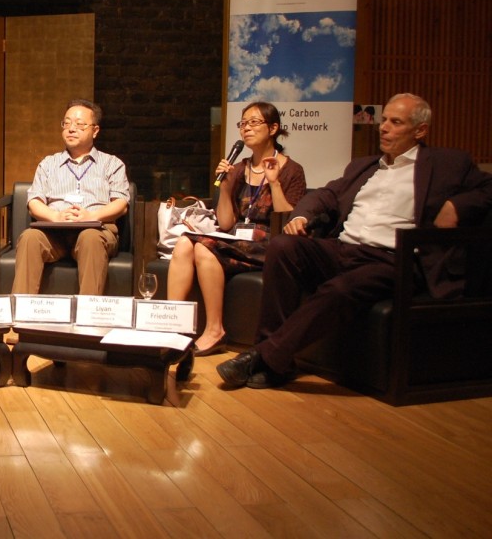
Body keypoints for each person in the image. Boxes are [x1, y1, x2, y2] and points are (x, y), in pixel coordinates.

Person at [217, 93, 492, 390]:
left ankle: (263, 357)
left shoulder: (447, 163)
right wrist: (302, 216)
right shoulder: (364, 166)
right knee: (284, 246)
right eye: (384, 119)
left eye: (395, 122)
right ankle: (275, 360)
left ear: (420, 130)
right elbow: (326, 194)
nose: (383, 127)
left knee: (341, 288)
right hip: (344, 248)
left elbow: (487, 188)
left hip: (392, 258)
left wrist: (457, 207)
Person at [168, 102, 306, 356]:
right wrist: (227, 187)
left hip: (271, 244)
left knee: (203, 249)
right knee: (185, 243)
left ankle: (214, 330)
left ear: (273, 128)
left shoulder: (291, 170)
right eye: (243, 123)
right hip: (236, 238)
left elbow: (289, 220)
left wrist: (274, 184)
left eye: (254, 122)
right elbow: (227, 223)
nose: (247, 129)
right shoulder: (240, 168)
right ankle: (172, 327)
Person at [11, 99, 130, 295]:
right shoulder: (48, 164)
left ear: (95, 130)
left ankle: (87, 315)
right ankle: (20, 313)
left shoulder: (111, 164)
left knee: (89, 237)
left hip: (96, 230)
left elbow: (121, 203)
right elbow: (34, 202)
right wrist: (56, 217)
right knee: (29, 237)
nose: (71, 129)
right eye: (66, 123)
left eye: (79, 124)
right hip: (54, 233)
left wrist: (91, 216)